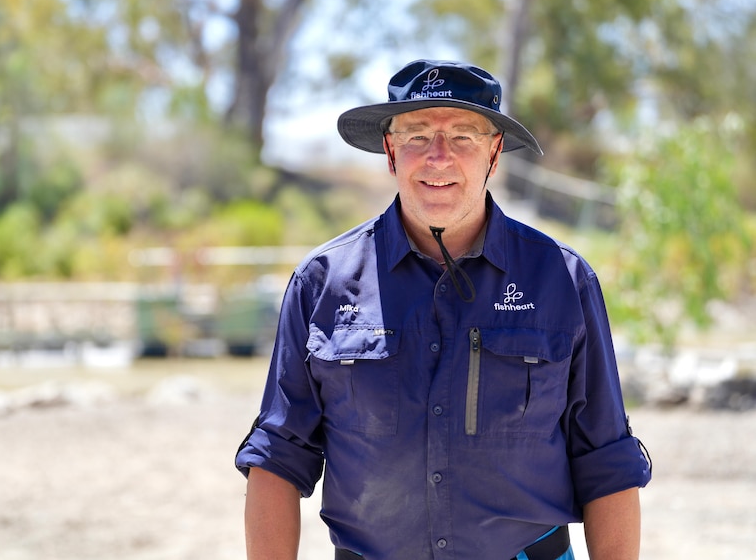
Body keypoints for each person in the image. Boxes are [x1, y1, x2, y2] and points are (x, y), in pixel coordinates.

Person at [235, 59, 652, 560]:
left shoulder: (563, 281)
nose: (438, 157)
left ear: (494, 154)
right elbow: (278, 457)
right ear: (390, 152)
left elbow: (605, 459)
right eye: (416, 136)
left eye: (463, 137)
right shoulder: (322, 283)